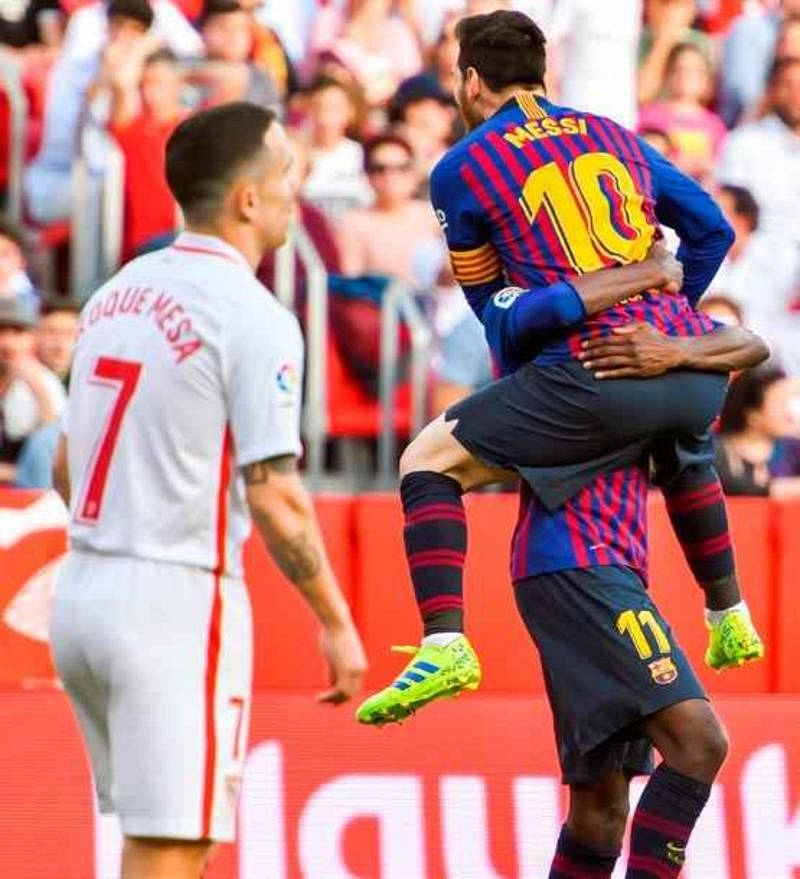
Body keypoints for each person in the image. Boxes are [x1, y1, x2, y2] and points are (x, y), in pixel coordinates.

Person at [356, 12, 767, 875]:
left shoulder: (465, 167)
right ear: (547, 68)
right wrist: (658, 300)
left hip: (590, 411)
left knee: (428, 461)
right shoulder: (616, 134)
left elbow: (495, 317)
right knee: (678, 754)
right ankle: (727, 608)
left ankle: (444, 637)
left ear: (469, 81)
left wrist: (593, 319)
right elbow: (712, 234)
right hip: (587, 546)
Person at [49, 103, 366, 879]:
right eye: (286, 172)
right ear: (247, 199)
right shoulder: (252, 316)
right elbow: (276, 496)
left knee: (155, 842)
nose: (297, 190)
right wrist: (334, 620)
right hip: (174, 598)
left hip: (84, 589)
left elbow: (66, 463)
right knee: (173, 846)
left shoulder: (115, 292)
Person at [108, 48, 188, 261]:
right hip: (148, 245)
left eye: (158, 83)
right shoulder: (134, 130)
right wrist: (147, 42)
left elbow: (233, 81)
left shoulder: (192, 128)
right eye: (144, 84)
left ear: (179, 84)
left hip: (188, 238)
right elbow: (120, 82)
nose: (148, 92)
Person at [338, 133, 442, 285]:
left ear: (412, 172)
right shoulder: (354, 222)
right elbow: (352, 281)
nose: (390, 175)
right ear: (367, 175)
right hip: (379, 304)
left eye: (401, 168)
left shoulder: (433, 216)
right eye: (380, 169)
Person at [717, 57, 800, 246]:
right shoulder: (744, 142)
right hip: (761, 257)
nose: (797, 95)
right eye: (788, 85)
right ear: (771, 90)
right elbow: (730, 211)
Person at [0, 296, 65, 485]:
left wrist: (40, 393)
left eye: (18, 332)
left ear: (33, 338)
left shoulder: (45, 383)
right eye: (1, 331)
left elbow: (53, 454)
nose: (7, 343)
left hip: (28, 494)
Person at [638, 42, 727, 180]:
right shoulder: (649, 115)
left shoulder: (715, 124)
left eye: (696, 71)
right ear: (667, 74)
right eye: (679, 70)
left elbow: (719, 166)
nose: (686, 77)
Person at [715, 367, 800, 497]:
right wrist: (773, 490)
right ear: (752, 415)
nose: (790, 413)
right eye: (779, 403)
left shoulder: (793, 450)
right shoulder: (714, 452)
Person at [300, 75, 372, 222]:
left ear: (350, 112)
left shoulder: (362, 155)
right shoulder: (297, 157)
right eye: (318, 107)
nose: (324, 116)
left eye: (333, 108)